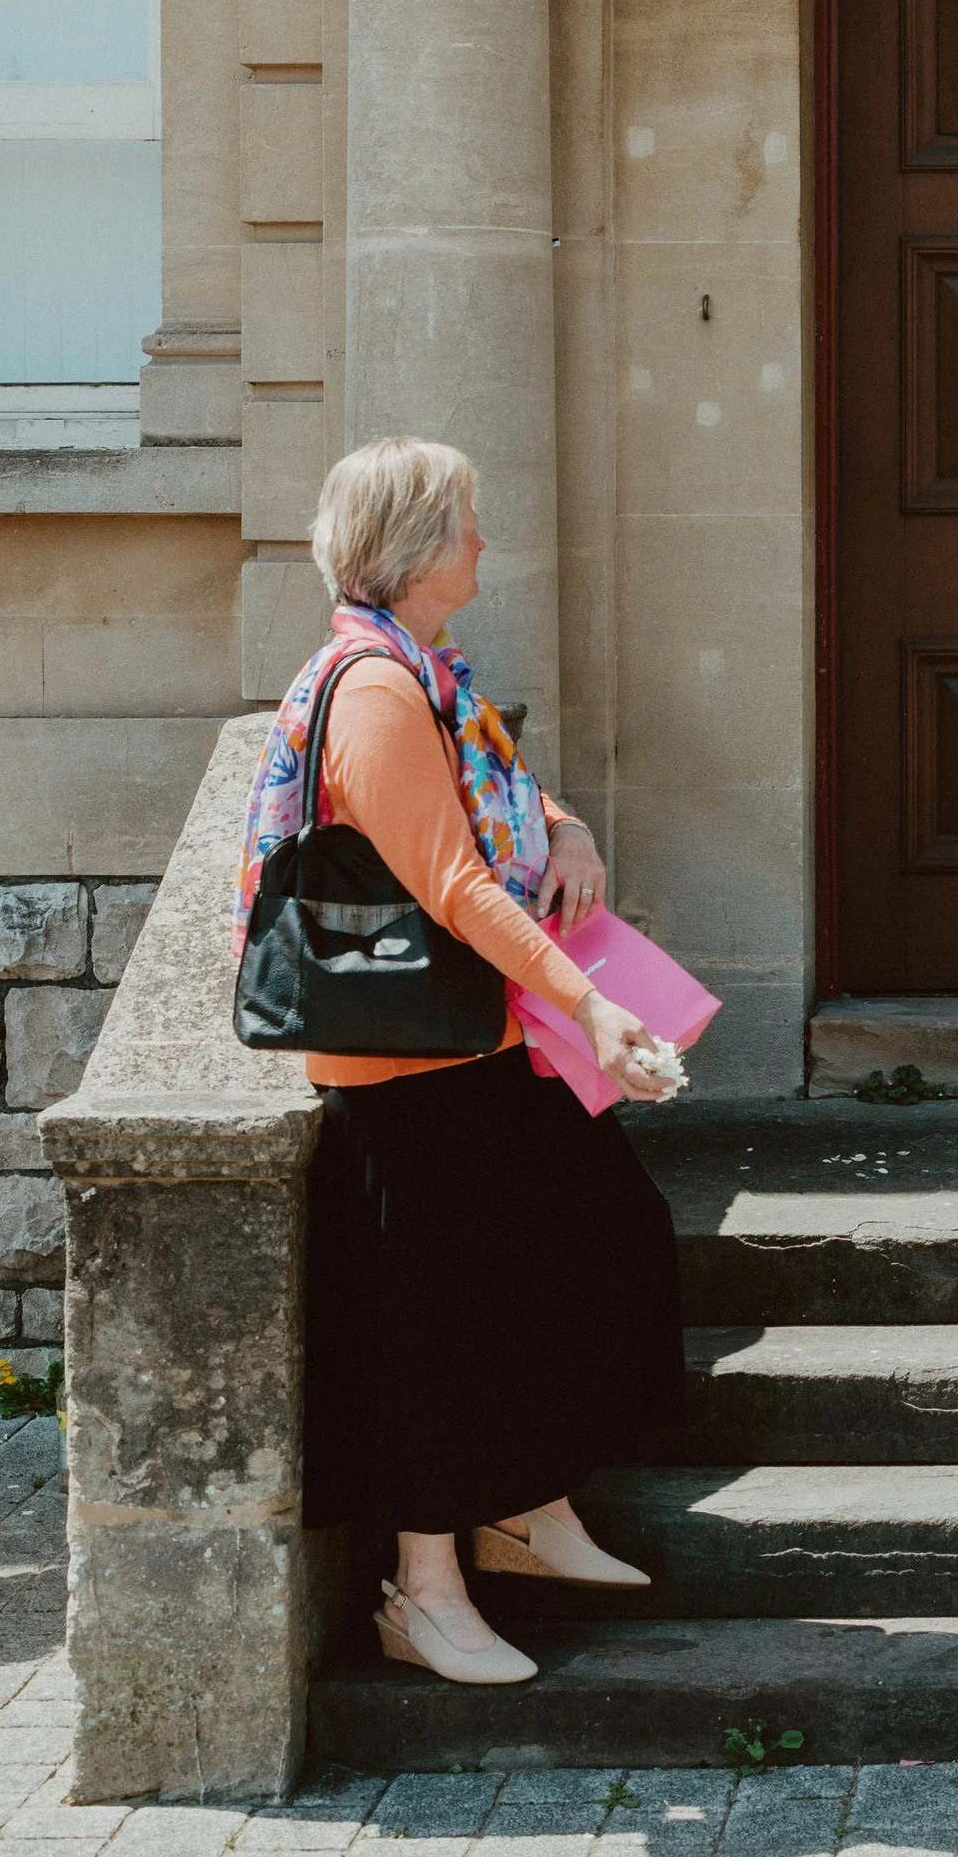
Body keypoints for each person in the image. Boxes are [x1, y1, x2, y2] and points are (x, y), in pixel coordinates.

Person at [238, 437, 686, 1690]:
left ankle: (524, 1504)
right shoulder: (377, 689)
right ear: (418, 546)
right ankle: (421, 1591)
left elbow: (499, 799)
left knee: (596, 1235)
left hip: (469, 1044)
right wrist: (591, 1004)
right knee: (432, 1329)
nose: (485, 542)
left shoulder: (431, 678)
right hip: (402, 1060)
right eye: (469, 523)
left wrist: (572, 821)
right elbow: (449, 879)